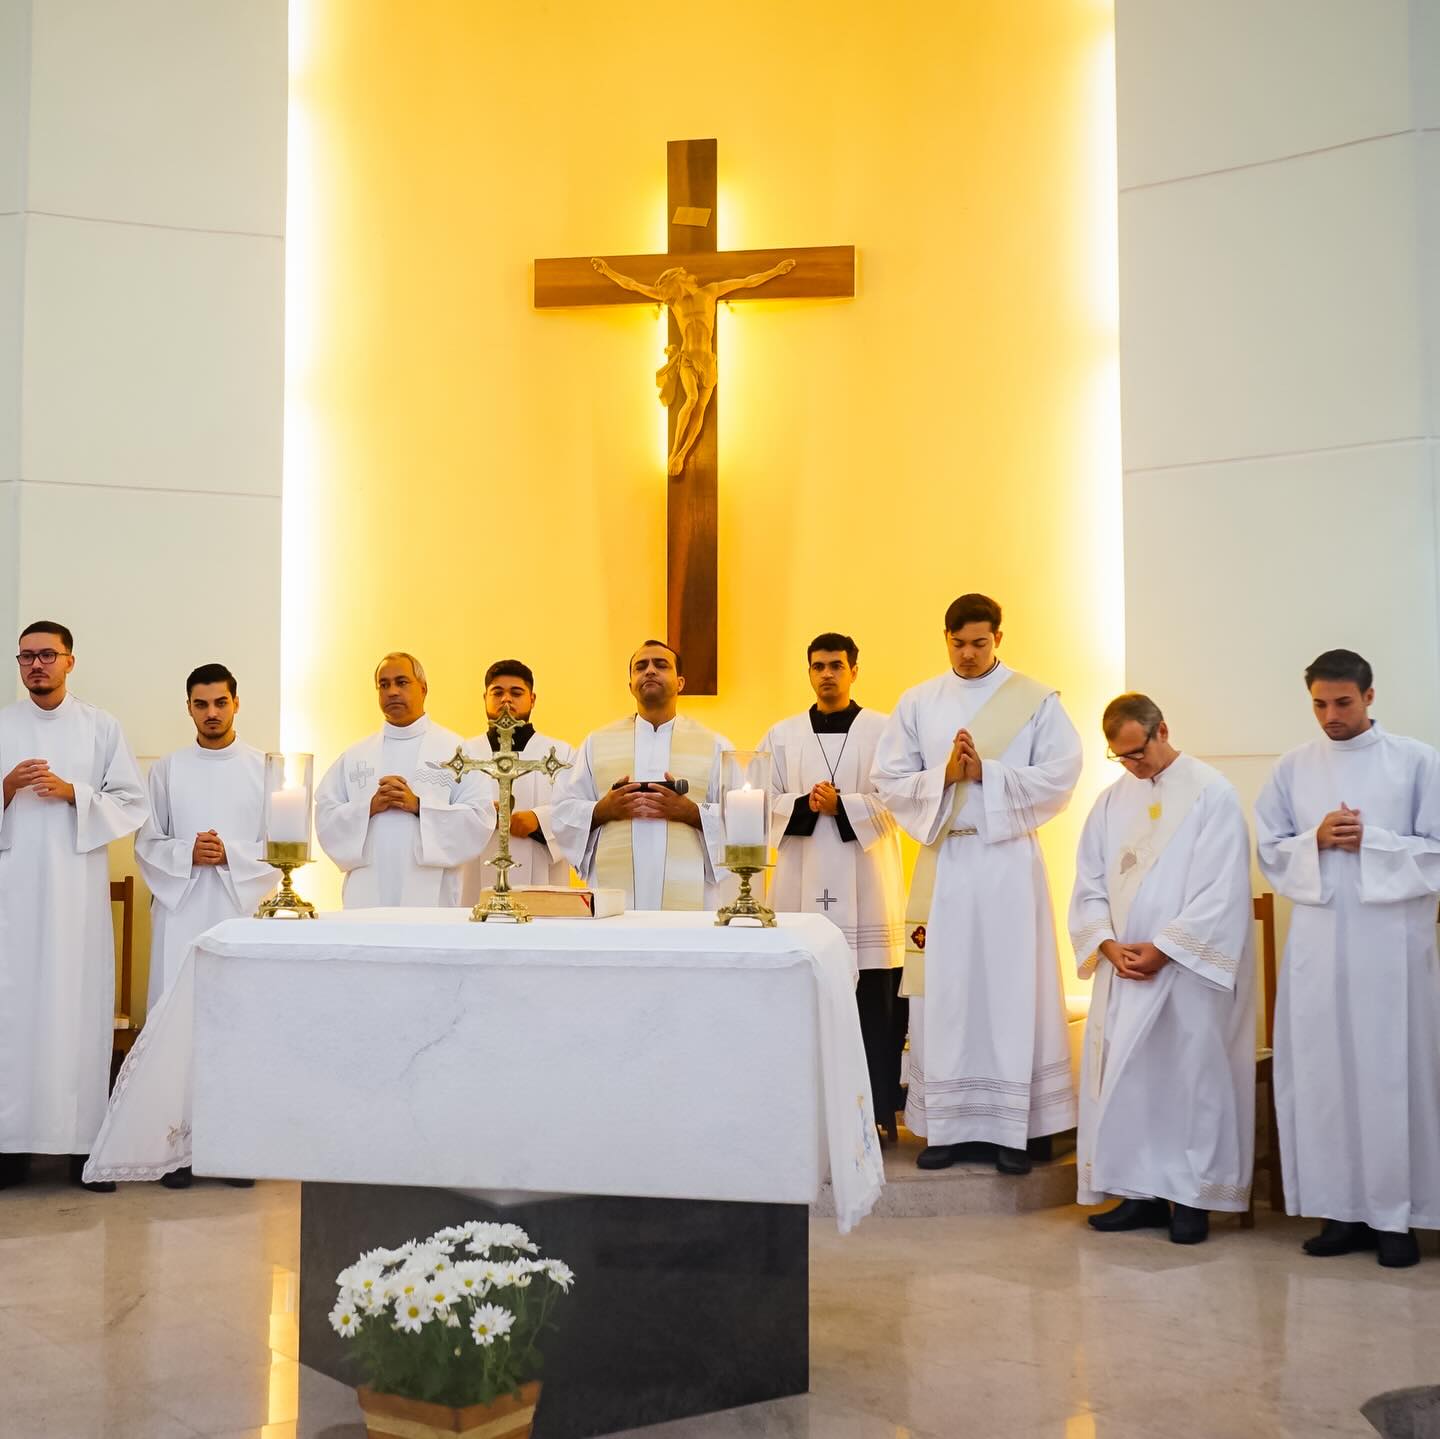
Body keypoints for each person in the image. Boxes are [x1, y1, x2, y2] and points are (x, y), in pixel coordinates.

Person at [872, 594, 1080, 1175]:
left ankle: (1012, 1131)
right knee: (946, 989)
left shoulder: (1036, 700)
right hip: (946, 861)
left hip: (1007, 860)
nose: (968, 653)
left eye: (979, 643)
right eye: (958, 643)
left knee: (1008, 988)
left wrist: (987, 771)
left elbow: (1062, 774)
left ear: (998, 639)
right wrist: (942, 775)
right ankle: (947, 1127)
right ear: (945, 638)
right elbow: (888, 779)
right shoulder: (919, 701)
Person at [1256, 649, 1440, 1268]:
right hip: (1319, 946)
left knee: (1390, 1074)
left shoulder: (1416, 761)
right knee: (1324, 1076)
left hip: (1390, 947)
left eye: (1342, 703)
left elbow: (1437, 851)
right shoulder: (1292, 766)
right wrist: (1313, 839)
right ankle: (1339, 1212)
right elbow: (1270, 849)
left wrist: (1374, 841)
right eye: (1319, 704)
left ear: (1369, 696)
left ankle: (1396, 1219)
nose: (1330, 716)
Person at [1069, 694, 1255, 1244]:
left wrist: (1166, 948)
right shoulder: (1109, 802)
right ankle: (1139, 1194)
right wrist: (1105, 943)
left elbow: (1222, 888)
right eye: (1120, 756)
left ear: (1162, 731)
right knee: (1132, 1082)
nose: (1132, 765)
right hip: (1125, 970)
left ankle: (1192, 1199)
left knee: (1190, 1079)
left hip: (1186, 971)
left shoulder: (1211, 793)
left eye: (1138, 751)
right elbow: (1088, 884)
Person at [0, 622, 148, 1193]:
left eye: (47, 655)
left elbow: (131, 802)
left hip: (75, 897)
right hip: (13, 898)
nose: (36, 664)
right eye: (26, 656)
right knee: (14, 1015)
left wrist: (74, 794)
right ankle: (10, 1148)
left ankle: (83, 1149)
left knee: (77, 1012)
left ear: (70, 661)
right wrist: (5, 787)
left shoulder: (100, 727)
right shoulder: (4, 725)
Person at [760, 633, 907, 1135]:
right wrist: (806, 804)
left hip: (869, 891)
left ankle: (878, 1114)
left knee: (874, 1007)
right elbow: (760, 800)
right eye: (818, 666)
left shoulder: (885, 732)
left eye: (836, 665)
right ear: (808, 672)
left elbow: (901, 800)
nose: (827, 674)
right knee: (802, 1001)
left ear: (854, 671)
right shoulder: (781, 735)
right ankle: (802, 1114)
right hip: (799, 884)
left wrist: (843, 805)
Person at [551, 641, 731, 909]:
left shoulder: (715, 745)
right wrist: (602, 810)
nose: (650, 671)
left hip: (690, 893)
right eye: (641, 666)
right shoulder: (596, 743)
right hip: (613, 895)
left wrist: (693, 813)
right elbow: (562, 811)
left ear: (680, 683)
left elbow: (740, 817)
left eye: (661, 665)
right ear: (630, 685)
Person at [590, 254, 796, 474]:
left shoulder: (711, 291)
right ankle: (674, 451)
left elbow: (747, 281)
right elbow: (633, 285)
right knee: (692, 399)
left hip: (707, 361)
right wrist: (606, 270)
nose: (666, 293)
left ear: (679, 280)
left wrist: (776, 271)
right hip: (687, 359)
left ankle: (682, 454)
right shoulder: (675, 302)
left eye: (668, 287)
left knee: (700, 410)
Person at [315, 652, 493, 907]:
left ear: (423, 688)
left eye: (401, 682)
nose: (392, 692)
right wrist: (368, 807)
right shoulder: (355, 755)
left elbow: (479, 817)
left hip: (431, 895)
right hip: (366, 893)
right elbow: (326, 817)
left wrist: (419, 806)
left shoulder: (456, 752)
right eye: (383, 685)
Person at [461, 660, 575, 901]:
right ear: (485, 698)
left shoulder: (560, 754)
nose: (506, 699)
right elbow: (443, 815)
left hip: (543, 877)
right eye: (497, 692)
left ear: (532, 699)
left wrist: (539, 820)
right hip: (474, 880)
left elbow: (578, 809)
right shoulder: (463, 755)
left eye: (516, 693)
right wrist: (477, 813)